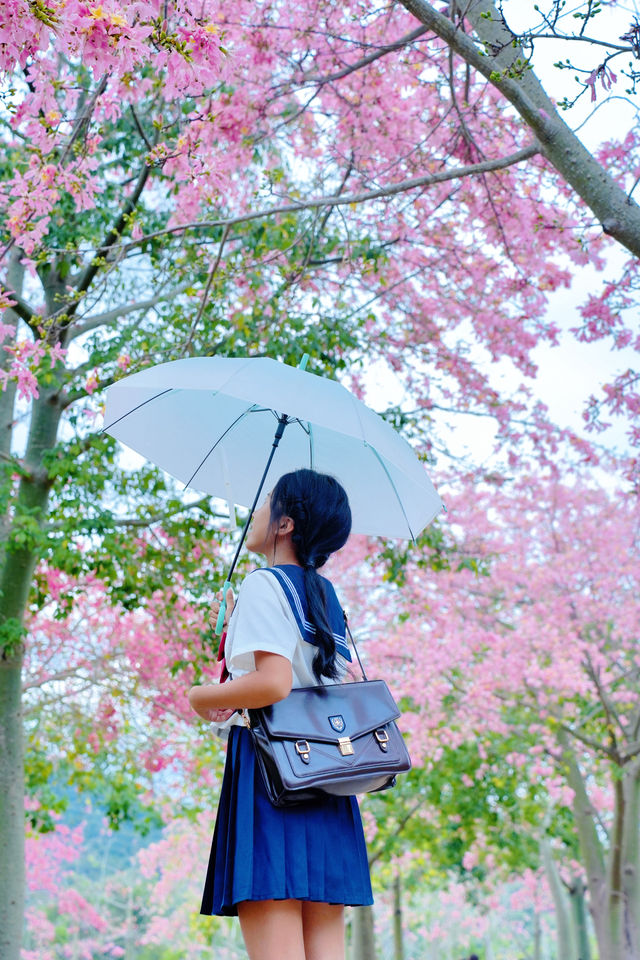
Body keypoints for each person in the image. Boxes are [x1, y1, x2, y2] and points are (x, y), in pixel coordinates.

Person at [188, 469, 373, 960]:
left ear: (286, 523)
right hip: (329, 777)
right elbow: (317, 680)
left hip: (273, 776)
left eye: (266, 502)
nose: (256, 512)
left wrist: (200, 695)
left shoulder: (265, 584)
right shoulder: (324, 595)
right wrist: (233, 690)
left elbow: (274, 684)